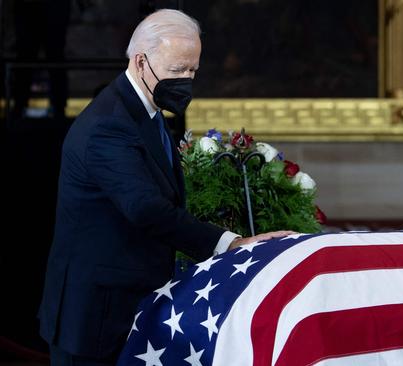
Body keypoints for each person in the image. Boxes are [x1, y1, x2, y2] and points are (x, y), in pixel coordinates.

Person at [38, 9, 293, 365]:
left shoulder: (145, 111)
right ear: (141, 62)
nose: (186, 80)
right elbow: (145, 208)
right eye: (177, 71)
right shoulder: (109, 125)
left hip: (127, 308)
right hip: (96, 319)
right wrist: (229, 243)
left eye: (192, 71)